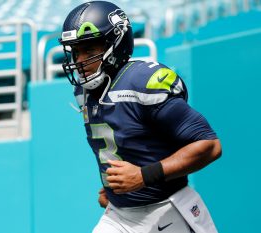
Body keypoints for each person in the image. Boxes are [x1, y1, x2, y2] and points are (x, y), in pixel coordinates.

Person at [59, 1, 222, 233]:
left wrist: (143, 176)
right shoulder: (84, 92)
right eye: (75, 52)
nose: (79, 61)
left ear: (115, 45)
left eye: (89, 50)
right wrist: (117, 191)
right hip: (119, 214)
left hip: (168, 209)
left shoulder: (142, 82)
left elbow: (209, 145)